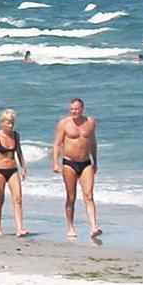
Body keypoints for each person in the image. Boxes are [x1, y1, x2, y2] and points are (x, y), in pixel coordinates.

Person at [52, 97, 101, 242]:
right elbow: (57, 144)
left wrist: (95, 161)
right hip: (69, 163)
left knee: (89, 195)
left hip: (86, 163)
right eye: (72, 109)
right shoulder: (64, 123)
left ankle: (93, 227)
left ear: (82, 109)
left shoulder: (90, 122)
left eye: (77, 109)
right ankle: (70, 226)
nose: (74, 112)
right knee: (71, 197)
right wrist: (55, 163)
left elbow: (93, 142)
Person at [0, 108, 27, 237]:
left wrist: (23, 168)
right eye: (8, 123)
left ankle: (19, 228)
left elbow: (19, 152)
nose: (11, 125)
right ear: (2, 123)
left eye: (12, 123)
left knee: (18, 199)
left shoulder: (16, 135)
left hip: (13, 170)